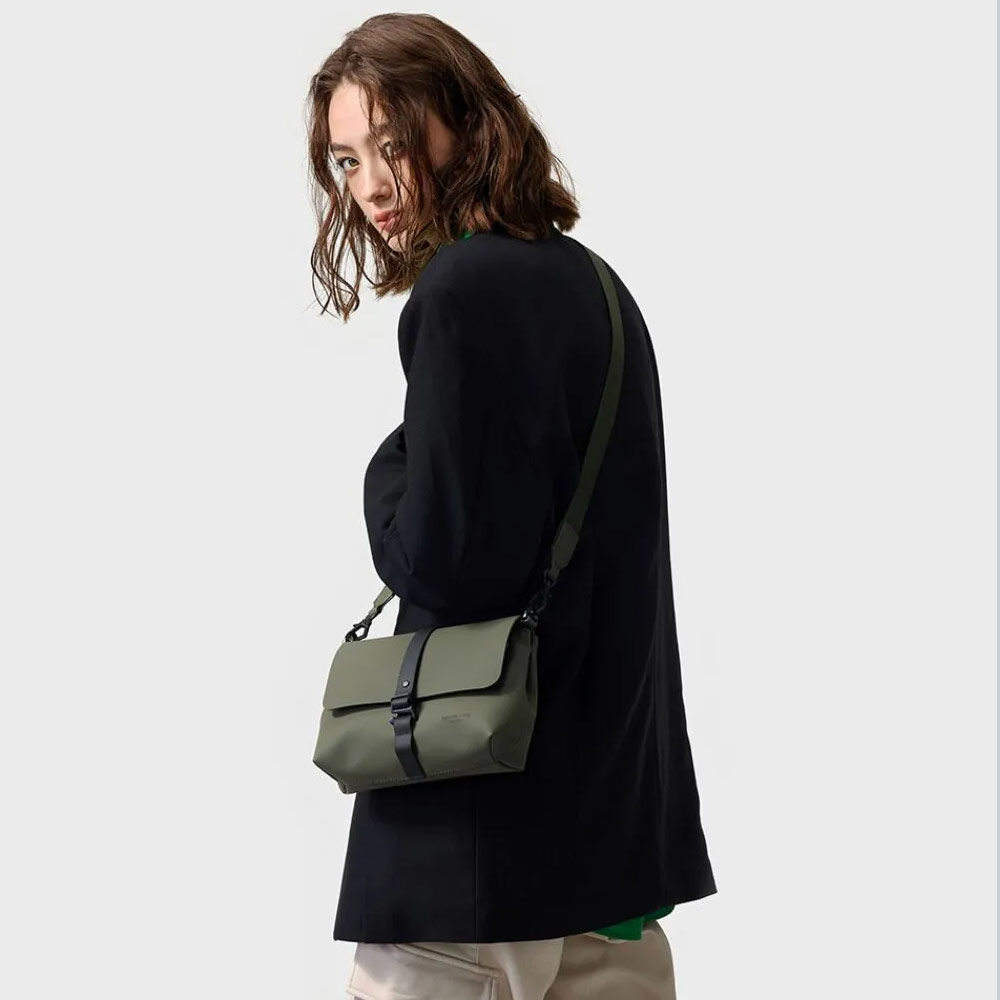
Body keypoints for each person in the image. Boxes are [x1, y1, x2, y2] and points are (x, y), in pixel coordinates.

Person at [305, 13, 717, 999]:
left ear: (466, 120)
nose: (370, 187)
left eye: (393, 145)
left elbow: (451, 565)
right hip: (611, 864)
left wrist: (386, 474)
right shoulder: (599, 288)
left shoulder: (459, 290)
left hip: (471, 877)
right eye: (346, 160)